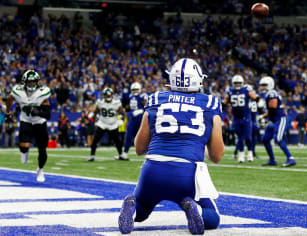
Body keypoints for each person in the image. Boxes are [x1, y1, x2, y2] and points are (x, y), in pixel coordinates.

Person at [118, 58, 224, 235]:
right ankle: (193, 207)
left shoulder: (156, 99)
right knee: (212, 218)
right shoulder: (209, 103)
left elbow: (138, 148)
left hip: (152, 170)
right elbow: (217, 156)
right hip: (187, 173)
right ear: (198, 79)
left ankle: (134, 206)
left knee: (142, 211)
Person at [6, 70, 51, 182]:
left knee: (42, 150)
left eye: (34, 82)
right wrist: (8, 112)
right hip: (26, 121)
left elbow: (48, 115)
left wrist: (37, 112)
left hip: (39, 122)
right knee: (24, 147)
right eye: (29, 82)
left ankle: (40, 170)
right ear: (24, 82)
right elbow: (9, 98)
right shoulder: (18, 91)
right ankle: (25, 151)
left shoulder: (42, 93)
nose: (32, 84)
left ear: (38, 82)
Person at [258, 76, 296, 167]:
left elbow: (273, 109)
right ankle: (272, 160)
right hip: (274, 121)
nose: (263, 87)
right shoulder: (268, 94)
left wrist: (263, 116)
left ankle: (290, 158)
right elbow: (271, 110)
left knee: (278, 139)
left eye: (265, 85)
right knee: (265, 139)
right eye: (262, 85)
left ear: (270, 85)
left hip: (280, 119)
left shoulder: (272, 93)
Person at [223, 75, 258, 163]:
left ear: (242, 83)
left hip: (246, 117)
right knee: (240, 137)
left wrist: (259, 100)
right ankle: (241, 155)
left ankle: (250, 154)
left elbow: (254, 97)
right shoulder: (230, 91)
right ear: (233, 83)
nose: (238, 85)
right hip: (236, 118)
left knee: (248, 137)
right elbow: (225, 101)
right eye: (236, 83)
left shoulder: (246, 89)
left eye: (239, 83)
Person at [88, 87, 127, 161]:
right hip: (102, 123)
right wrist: (93, 115)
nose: (108, 96)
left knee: (117, 141)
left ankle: (121, 155)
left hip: (112, 124)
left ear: (112, 95)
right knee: (95, 140)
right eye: (106, 95)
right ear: (104, 95)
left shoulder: (116, 103)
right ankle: (92, 155)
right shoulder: (100, 102)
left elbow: (123, 113)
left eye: (109, 95)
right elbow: (96, 111)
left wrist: (122, 119)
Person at [121, 82, 147, 159]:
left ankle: (148, 152)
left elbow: (147, 106)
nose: (135, 91)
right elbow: (128, 106)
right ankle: (125, 153)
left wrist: (140, 111)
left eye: (136, 90)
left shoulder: (143, 96)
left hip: (140, 118)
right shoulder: (130, 96)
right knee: (128, 135)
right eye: (133, 90)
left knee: (143, 136)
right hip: (132, 118)